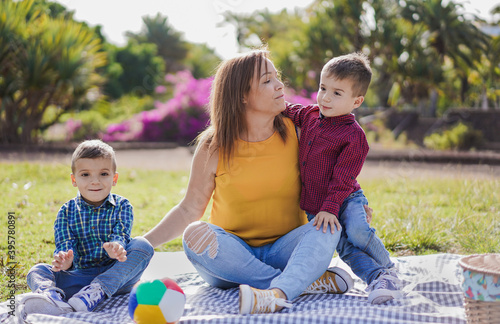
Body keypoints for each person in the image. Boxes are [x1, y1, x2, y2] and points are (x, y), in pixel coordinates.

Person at [144, 49, 358, 315]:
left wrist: (354, 205)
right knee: (194, 235)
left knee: (328, 227)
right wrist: (145, 242)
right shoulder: (213, 145)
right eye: (267, 80)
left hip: (287, 249)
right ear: (242, 95)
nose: (280, 85)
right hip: (230, 259)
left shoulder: (299, 132)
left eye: (276, 77)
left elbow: (336, 177)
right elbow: (189, 209)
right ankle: (298, 282)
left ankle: (277, 291)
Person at [283, 52, 402, 304]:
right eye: (323, 88)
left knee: (358, 233)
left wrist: (331, 207)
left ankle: (388, 266)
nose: (325, 97)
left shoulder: (354, 136)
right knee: (346, 248)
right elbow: (288, 110)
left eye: (337, 93)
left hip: (346, 198)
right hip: (317, 206)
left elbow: (343, 178)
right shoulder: (310, 116)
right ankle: (375, 277)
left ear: (357, 101)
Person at [18, 140, 154, 319]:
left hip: (116, 276)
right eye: (85, 174)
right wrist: (65, 260)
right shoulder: (66, 212)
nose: (95, 181)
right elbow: (65, 244)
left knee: (143, 245)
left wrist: (117, 247)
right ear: (74, 180)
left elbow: (121, 233)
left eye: (103, 174)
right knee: (37, 271)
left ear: (114, 178)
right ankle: (53, 299)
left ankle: (97, 291)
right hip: (79, 279)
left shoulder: (123, 205)